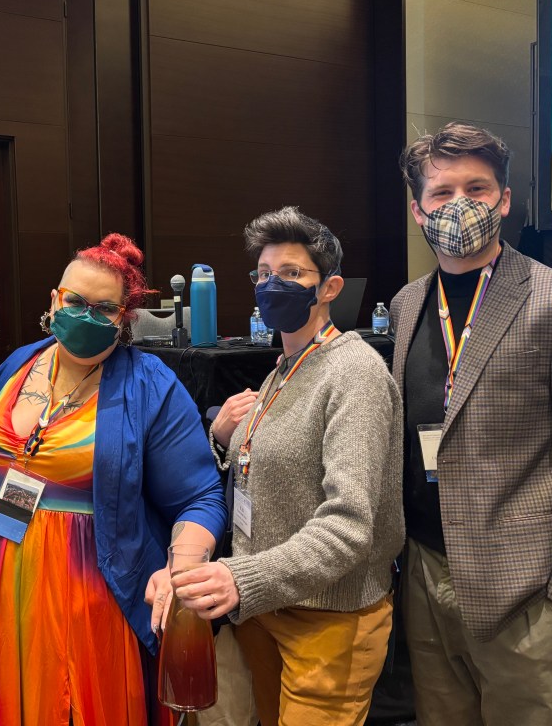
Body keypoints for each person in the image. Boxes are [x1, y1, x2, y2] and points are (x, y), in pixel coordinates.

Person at [392, 122, 552, 725]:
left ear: (504, 200)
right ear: (419, 209)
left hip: (524, 594)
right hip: (424, 574)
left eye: (478, 188)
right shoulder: (406, 303)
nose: (460, 204)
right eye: (442, 192)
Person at [0, 233, 227, 726]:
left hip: (90, 591)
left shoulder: (151, 384)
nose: (85, 315)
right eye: (74, 301)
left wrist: (181, 572)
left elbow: (201, 497)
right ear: (54, 300)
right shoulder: (18, 364)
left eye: (104, 308)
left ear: (125, 319)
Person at [182, 206, 405, 726]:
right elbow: (258, 465)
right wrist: (221, 440)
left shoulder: (354, 373)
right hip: (265, 608)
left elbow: (348, 527)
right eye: (263, 275)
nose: (272, 285)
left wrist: (243, 578)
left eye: (291, 274)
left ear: (329, 288)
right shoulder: (283, 368)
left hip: (329, 618)